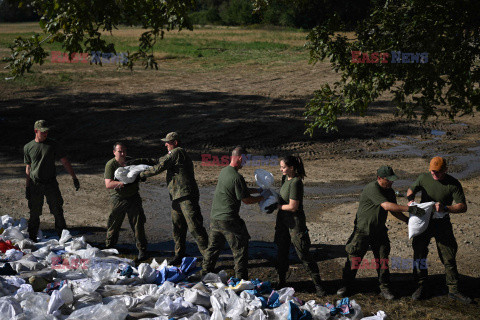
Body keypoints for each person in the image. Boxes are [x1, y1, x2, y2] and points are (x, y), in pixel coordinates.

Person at [337, 165, 409, 300]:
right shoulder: (372, 188)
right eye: (388, 180)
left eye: (392, 180)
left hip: (379, 231)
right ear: (379, 178)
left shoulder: (390, 191)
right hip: (362, 231)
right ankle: (346, 285)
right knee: (354, 259)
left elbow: (393, 210)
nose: (391, 182)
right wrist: (409, 208)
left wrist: (406, 220)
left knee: (382, 259)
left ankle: (384, 287)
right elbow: (386, 206)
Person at [136, 132, 209, 265]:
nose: (165, 144)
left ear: (175, 143)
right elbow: (161, 160)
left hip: (186, 196)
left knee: (195, 227)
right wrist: (144, 162)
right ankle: (179, 254)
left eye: (168, 142)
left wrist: (141, 174)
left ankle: (209, 257)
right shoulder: (173, 154)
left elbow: (160, 166)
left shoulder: (178, 152)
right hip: (177, 197)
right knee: (178, 227)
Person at [406, 157, 471, 304]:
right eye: (432, 171)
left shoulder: (453, 183)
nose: (434, 174)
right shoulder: (424, 178)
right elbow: (411, 189)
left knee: (448, 255)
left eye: (438, 172)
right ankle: (420, 286)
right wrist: (410, 199)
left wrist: (446, 208)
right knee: (419, 252)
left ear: (446, 170)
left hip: (442, 222)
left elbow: (462, 206)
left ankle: (454, 290)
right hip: (424, 221)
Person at [201, 146, 265, 280]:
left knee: (213, 248)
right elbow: (246, 200)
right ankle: (241, 280)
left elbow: (240, 189)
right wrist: (263, 198)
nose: (245, 163)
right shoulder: (237, 176)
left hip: (215, 217)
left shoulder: (224, 171)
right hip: (229, 219)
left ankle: (205, 273)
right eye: (245, 160)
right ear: (240, 158)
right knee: (240, 249)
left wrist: (259, 190)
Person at [270, 156, 326, 297]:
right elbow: (283, 197)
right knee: (281, 252)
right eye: (281, 166)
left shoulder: (296, 182)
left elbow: (293, 206)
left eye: (283, 167)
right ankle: (281, 281)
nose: (281, 169)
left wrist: (277, 206)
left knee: (303, 253)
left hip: (295, 224)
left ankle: (318, 286)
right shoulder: (285, 179)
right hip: (283, 222)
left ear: (292, 168)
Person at [24, 120, 80, 241]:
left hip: (51, 184)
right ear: (36, 131)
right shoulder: (28, 147)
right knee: (34, 213)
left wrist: (74, 177)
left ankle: (63, 237)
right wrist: (27, 186)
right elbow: (28, 168)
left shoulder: (53, 145)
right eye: (43, 132)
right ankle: (32, 238)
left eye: (47, 131)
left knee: (58, 211)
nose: (45, 134)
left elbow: (64, 161)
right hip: (35, 185)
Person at [104, 142, 148, 261]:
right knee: (114, 224)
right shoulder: (111, 165)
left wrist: (141, 176)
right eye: (120, 151)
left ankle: (142, 250)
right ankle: (109, 247)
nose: (123, 154)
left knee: (138, 223)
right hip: (118, 198)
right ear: (114, 152)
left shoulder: (130, 162)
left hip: (133, 197)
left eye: (124, 151)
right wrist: (123, 183)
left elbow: (141, 172)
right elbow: (108, 184)